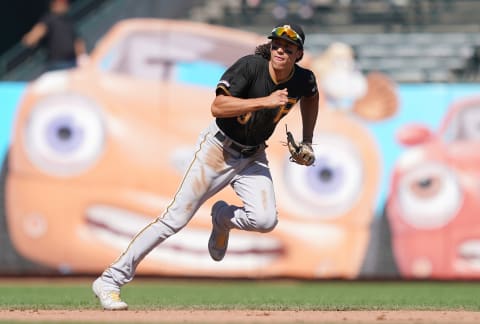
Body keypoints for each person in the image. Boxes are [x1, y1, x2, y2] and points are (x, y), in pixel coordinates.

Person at [92, 22, 319, 310]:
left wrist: (308, 140)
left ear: (298, 53)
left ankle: (223, 217)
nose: (280, 50)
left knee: (265, 220)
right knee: (174, 220)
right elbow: (218, 107)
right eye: (276, 44)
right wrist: (264, 102)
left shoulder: (302, 79)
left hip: (252, 155)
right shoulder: (250, 67)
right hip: (219, 148)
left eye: (288, 47)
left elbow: (311, 96)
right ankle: (110, 280)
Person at [21, 0, 87, 72]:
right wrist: (30, 39)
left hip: (72, 63)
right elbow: (34, 35)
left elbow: (77, 42)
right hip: (56, 65)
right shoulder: (49, 19)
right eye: (62, 3)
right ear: (55, 4)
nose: (66, 5)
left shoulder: (68, 21)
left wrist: (82, 58)